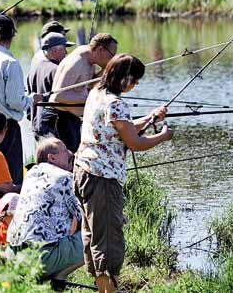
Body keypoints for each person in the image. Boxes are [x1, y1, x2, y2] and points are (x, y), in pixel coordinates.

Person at [74, 54, 173, 292]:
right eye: (135, 81)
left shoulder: (96, 93)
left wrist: (149, 118)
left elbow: (119, 128)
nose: (135, 85)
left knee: (93, 238)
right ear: (125, 77)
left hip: (83, 172)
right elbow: (135, 143)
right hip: (103, 180)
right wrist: (163, 136)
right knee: (108, 242)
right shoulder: (116, 104)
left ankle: (104, 289)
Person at [0, 14, 42, 185]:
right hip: (7, 128)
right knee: (11, 176)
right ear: (11, 36)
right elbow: (15, 101)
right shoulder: (11, 63)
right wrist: (32, 99)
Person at [8, 138, 83, 286]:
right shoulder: (65, 177)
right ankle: (59, 278)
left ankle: (43, 280)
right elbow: (86, 215)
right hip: (40, 260)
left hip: (13, 257)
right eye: (65, 150)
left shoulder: (30, 174)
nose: (70, 153)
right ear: (52, 157)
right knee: (99, 235)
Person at [48, 33, 118, 153]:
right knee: (66, 162)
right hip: (60, 119)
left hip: (72, 118)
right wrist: (93, 99)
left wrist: (105, 71)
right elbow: (58, 95)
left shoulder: (90, 60)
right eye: (112, 55)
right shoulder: (77, 61)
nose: (113, 58)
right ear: (101, 50)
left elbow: (85, 86)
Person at [27, 33, 75, 136]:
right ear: (54, 50)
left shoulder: (37, 65)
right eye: (64, 48)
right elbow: (66, 98)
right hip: (56, 128)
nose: (66, 52)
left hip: (39, 124)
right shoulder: (56, 70)